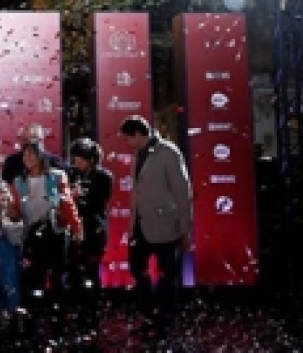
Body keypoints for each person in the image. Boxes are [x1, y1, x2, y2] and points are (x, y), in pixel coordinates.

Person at [119, 115, 192, 331]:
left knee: (167, 274)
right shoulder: (137, 154)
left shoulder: (168, 152)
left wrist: (185, 228)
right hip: (140, 226)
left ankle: (164, 316)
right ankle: (148, 312)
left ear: (139, 135)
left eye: (128, 139)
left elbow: (182, 191)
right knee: (136, 269)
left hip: (165, 225)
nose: (126, 143)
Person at [10, 142, 82, 341]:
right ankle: (32, 325)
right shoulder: (18, 181)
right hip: (32, 236)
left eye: (32, 155)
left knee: (57, 278)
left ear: (41, 156)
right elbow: (16, 209)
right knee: (34, 278)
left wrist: (76, 228)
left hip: (55, 234)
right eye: (25, 156)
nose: (28, 159)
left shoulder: (56, 177)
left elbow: (67, 203)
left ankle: (57, 323)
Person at [66, 137, 114, 338]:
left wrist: (81, 195)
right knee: (74, 271)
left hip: (94, 230)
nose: (76, 162)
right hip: (74, 229)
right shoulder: (69, 174)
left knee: (92, 272)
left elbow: (100, 200)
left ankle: (93, 315)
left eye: (80, 158)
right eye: (75, 157)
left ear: (91, 159)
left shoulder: (104, 176)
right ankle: (75, 314)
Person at [0, 181, 24, 324]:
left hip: (9, 256)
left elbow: (16, 238)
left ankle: (12, 310)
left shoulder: (15, 213)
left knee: (9, 282)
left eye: (2, 199)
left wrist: (3, 221)